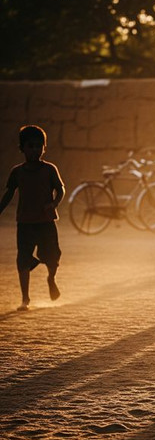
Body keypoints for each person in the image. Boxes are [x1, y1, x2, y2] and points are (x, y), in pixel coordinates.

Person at [0, 124, 65, 311]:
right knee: (22, 260)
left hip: (46, 222)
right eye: (31, 146)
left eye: (39, 146)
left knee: (52, 258)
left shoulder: (50, 169)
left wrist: (54, 203)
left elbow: (60, 189)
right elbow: (9, 193)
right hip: (25, 223)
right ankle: (25, 299)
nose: (35, 149)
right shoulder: (17, 172)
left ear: (44, 147)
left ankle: (51, 278)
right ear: (22, 148)